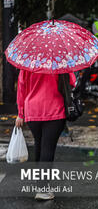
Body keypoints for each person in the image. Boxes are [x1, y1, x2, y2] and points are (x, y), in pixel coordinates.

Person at [15, 70, 76, 201]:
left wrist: (20, 113)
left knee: (39, 144)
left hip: (32, 110)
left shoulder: (28, 62)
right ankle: (43, 189)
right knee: (47, 148)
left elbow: (21, 87)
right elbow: (72, 82)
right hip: (54, 109)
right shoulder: (60, 61)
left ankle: (40, 184)